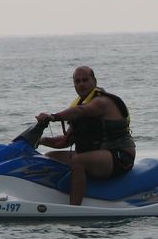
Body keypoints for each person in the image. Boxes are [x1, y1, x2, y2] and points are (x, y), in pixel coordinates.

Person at [36, 66, 136, 205]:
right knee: (49, 158)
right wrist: (39, 140)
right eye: (77, 81)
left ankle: (74, 209)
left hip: (120, 156)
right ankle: (50, 199)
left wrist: (53, 117)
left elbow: (81, 111)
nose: (81, 84)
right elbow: (64, 142)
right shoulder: (79, 104)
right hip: (96, 156)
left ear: (94, 81)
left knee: (78, 161)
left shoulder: (102, 102)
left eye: (85, 80)